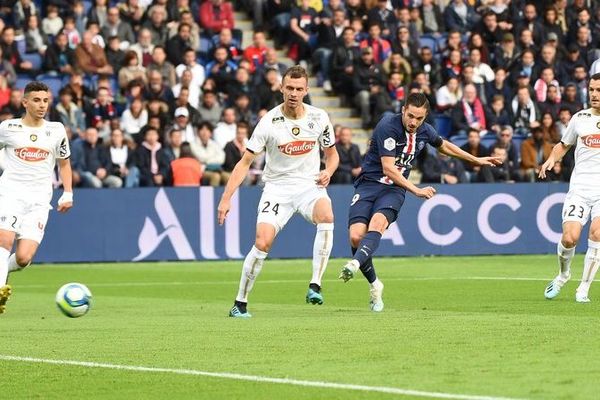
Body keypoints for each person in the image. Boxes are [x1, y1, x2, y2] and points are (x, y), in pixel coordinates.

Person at [338, 93, 501, 312]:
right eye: (411, 116)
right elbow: (388, 168)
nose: (414, 122)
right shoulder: (388, 126)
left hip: (394, 190)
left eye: (419, 118)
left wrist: (475, 159)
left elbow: (443, 146)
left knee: (378, 223)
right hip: (369, 184)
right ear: (404, 110)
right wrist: (416, 190)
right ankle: (375, 284)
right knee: (356, 236)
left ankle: (354, 264)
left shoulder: (425, 130)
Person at [217, 66, 339, 318]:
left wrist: (329, 171)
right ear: (281, 88)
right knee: (262, 242)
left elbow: (332, 154)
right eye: (289, 88)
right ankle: (240, 303)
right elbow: (245, 162)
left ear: (306, 90)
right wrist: (226, 198)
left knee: (327, 215)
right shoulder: (269, 122)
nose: (293, 93)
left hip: (309, 184)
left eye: (299, 89)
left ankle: (315, 285)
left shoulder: (319, 117)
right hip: (277, 188)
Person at [0, 81, 73, 314]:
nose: (42, 105)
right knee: (4, 240)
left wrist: (68, 192)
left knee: (23, 258)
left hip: (40, 201)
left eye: (45, 100)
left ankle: (5, 270)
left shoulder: (56, 130)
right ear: (25, 102)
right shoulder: (8, 128)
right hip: (9, 194)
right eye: (36, 100)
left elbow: (64, 163)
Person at [540, 73, 600, 303]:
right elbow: (563, 145)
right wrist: (550, 160)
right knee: (570, 238)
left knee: (597, 233)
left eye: (599, 90)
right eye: (592, 89)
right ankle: (564, 274)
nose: (594, 94)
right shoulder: (580, 118)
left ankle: (583, 288)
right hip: (580, 189)